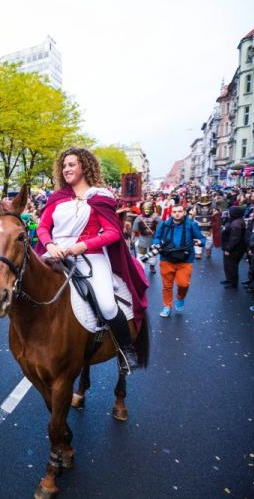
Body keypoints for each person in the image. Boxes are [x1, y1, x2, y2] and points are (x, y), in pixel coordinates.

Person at [35, 147, 148, 372]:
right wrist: (49, 244)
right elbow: (43, 227)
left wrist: (81, 246)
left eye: (72, 164)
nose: (66, 169)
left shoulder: (101, 197)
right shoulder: (56, 198)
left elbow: (113, 233)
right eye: (64, 165)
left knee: (107, 305)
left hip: (90, 257)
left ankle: (126, 349)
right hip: (55, 254)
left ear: (84, 166)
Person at [152, 204, 205, 318]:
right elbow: (156, 237)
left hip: (185, 260)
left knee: (183, 284)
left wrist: (200, 242)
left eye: (180, 211)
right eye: (175, 211)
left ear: (184, 212)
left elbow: (202, 238)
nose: (177, 213)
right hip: (166, 258)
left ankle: (180, 298)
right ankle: (167, 307)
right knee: (167, 285)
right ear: (171, 213)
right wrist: (156, 244)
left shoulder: (191, 224)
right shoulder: (164, 224)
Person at [220, 206, 247, 289]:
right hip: (230, 248)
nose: (228, 213)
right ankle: (229, 279)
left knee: (232, 266)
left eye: (230, 212)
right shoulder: (234, 221)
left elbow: (234, 239)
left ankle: (233, 283)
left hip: (234, 250)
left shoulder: (237, 224)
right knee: (228, 265)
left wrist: (228, 249)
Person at [132, 201, 162, 274]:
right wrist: (132, 239)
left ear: (151, 209)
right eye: (145, 210)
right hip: (143, 238)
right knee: (141, 255)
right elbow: (134, 229)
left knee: (153, 254)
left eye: (148, 209)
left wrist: (159, 235)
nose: (147, 211)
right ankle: (141, 268)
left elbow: (161, 228)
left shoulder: (156, 217)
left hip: (154, 239)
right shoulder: (139, 218)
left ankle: (152, 266)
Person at [192, 194, 221, 259]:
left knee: (210, 241)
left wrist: (216, 216)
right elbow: (192, 214)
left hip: (210, 226)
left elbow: (217, 215)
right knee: (198, 239)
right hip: (198, 225)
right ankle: (198, 253)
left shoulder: (213, 205)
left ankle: (208, 250)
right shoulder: (196, 205)